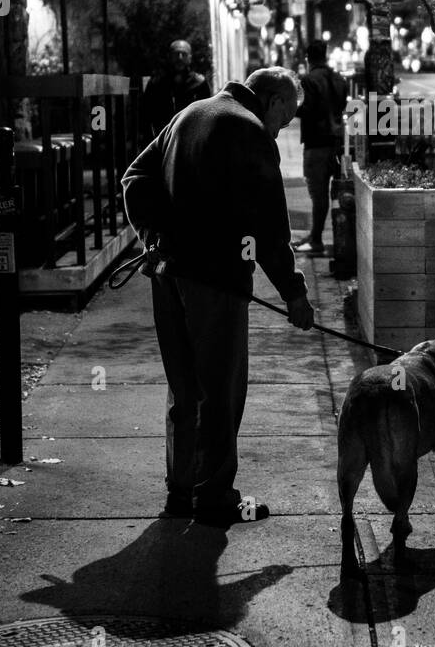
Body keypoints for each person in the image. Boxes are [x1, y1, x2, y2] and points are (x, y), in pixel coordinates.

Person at [122, 68, 315, 527]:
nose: (284, 126)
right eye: (286, 117)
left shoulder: (191, 113)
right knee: (221, 390)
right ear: (270, 101)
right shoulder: (250, 131)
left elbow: (135, 177)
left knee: (184, 386)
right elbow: (270, 229)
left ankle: (181, 490)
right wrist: (295, 294)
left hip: (167, 275)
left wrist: (154, 235)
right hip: (217, 281)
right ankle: (214, 497)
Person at [294, 41, 349, 257]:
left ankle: (316, 239)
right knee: (335, 192)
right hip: (336, 143)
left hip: (316, 143)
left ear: (308, 58)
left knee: (318, 194)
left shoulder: (308, 81)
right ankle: (323, 235)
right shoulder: (339, 79)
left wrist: (291, 108)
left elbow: (307, 109)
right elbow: (342, 107)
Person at [141, 39, 212, 139]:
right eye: (176, 54)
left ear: (190, 58)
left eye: (184, 54)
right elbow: (145, 115)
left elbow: (208, 116)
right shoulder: (156, 83)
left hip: (191, 140)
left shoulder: (199, 83)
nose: (180, 58)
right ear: (170, 57)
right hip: (164, 140)